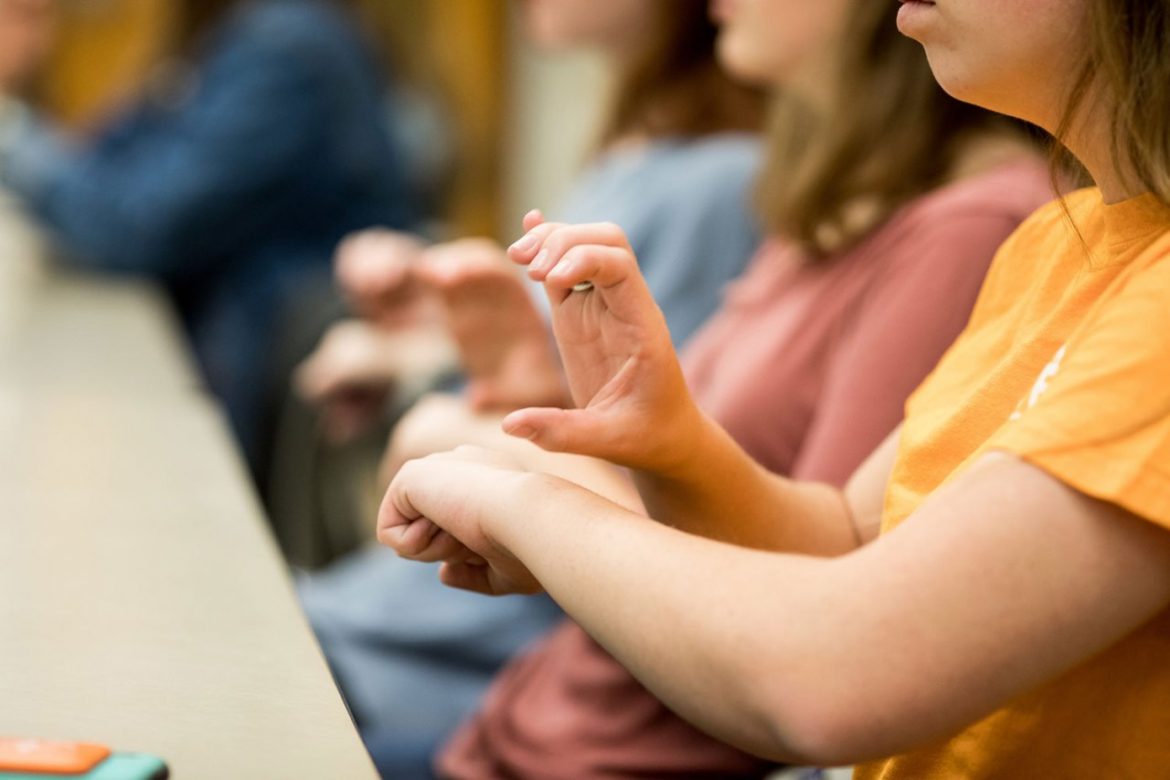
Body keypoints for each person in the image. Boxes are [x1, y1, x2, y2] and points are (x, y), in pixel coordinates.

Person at [379, 0, 1170, 776]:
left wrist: (528, 504)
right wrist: (671, 443)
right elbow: (845, 539)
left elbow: (835, 677)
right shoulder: (1055, 241)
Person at [295, 1, 764, 775]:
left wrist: (469, 427)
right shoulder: (642, 151)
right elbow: (600, 411)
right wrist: (442, 348)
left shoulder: (716, 181)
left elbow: (656, 490)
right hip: (417, 630)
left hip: (464, 661)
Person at [0, 0, 416, 461]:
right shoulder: (228, 34)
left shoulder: (284, 48)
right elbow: (111, 167)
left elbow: (137, 226)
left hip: (274, 399)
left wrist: (10, 130)